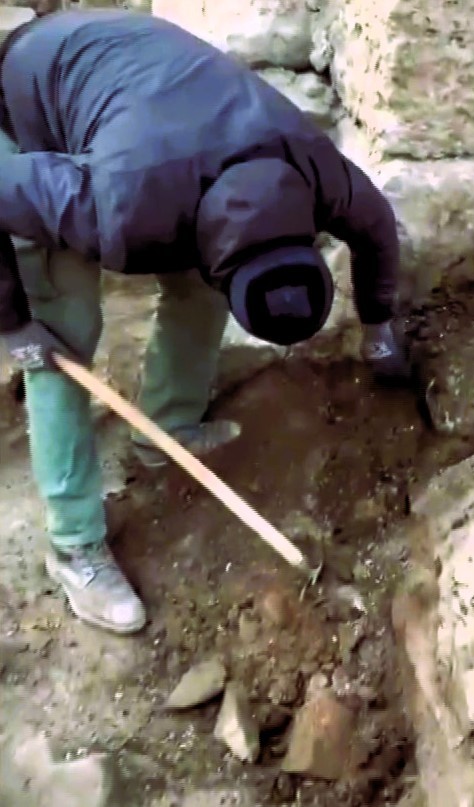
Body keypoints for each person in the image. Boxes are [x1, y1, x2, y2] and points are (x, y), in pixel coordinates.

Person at [0, 9, 410, 636]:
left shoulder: (317, 171)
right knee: (63, 333)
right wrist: (11, 323)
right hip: (25, 99)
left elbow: (378, 231)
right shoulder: (116, 210)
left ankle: (166, 432)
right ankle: (75, 546)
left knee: (197, 294)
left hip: (147, 97)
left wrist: (381, 326)